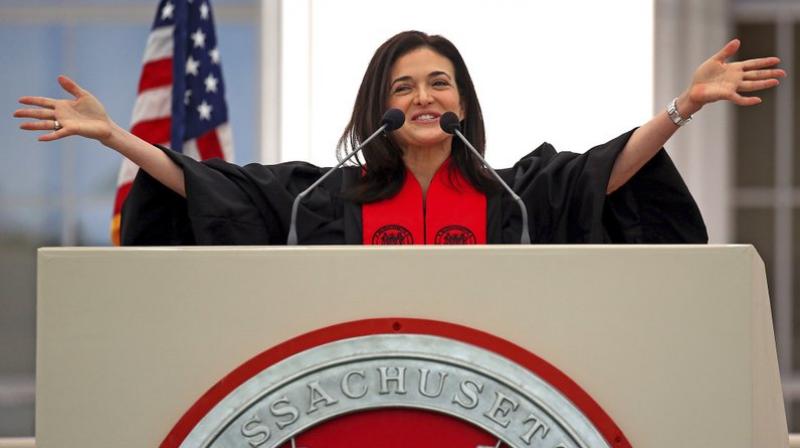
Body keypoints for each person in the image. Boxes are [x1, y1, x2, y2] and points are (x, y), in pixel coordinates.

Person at [15, 31, 786, 245]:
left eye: (439, 83)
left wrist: (682, 107)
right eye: (405, 86)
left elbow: (603, 175)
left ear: (461, 102)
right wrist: (117, 137)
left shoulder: (510, 197)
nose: (424, 96)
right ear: (379, 107)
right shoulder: (322, 200)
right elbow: (213, 188)